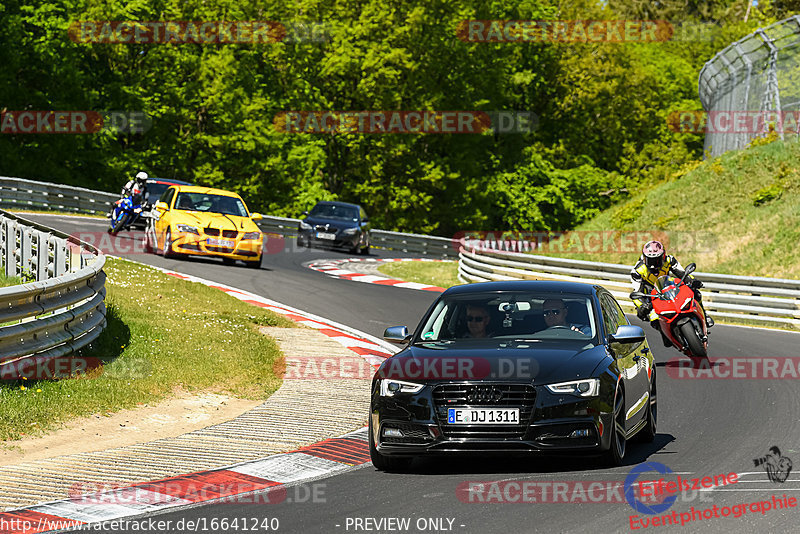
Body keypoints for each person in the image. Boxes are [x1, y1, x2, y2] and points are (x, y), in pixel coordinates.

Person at [631, 240, 713, 347]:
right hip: (651, 295)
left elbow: (682, 273)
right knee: (653, 317)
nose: (653, 265)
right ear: (644, 258)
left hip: (669, 287)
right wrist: (642, 306)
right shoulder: (637, 270)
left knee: (696, 293)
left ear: (663, 256)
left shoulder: (669, 260)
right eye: (650, 260)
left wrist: (693, 282)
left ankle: (705, 316)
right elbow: (636, 292)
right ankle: (664, 333)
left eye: (656, 260)